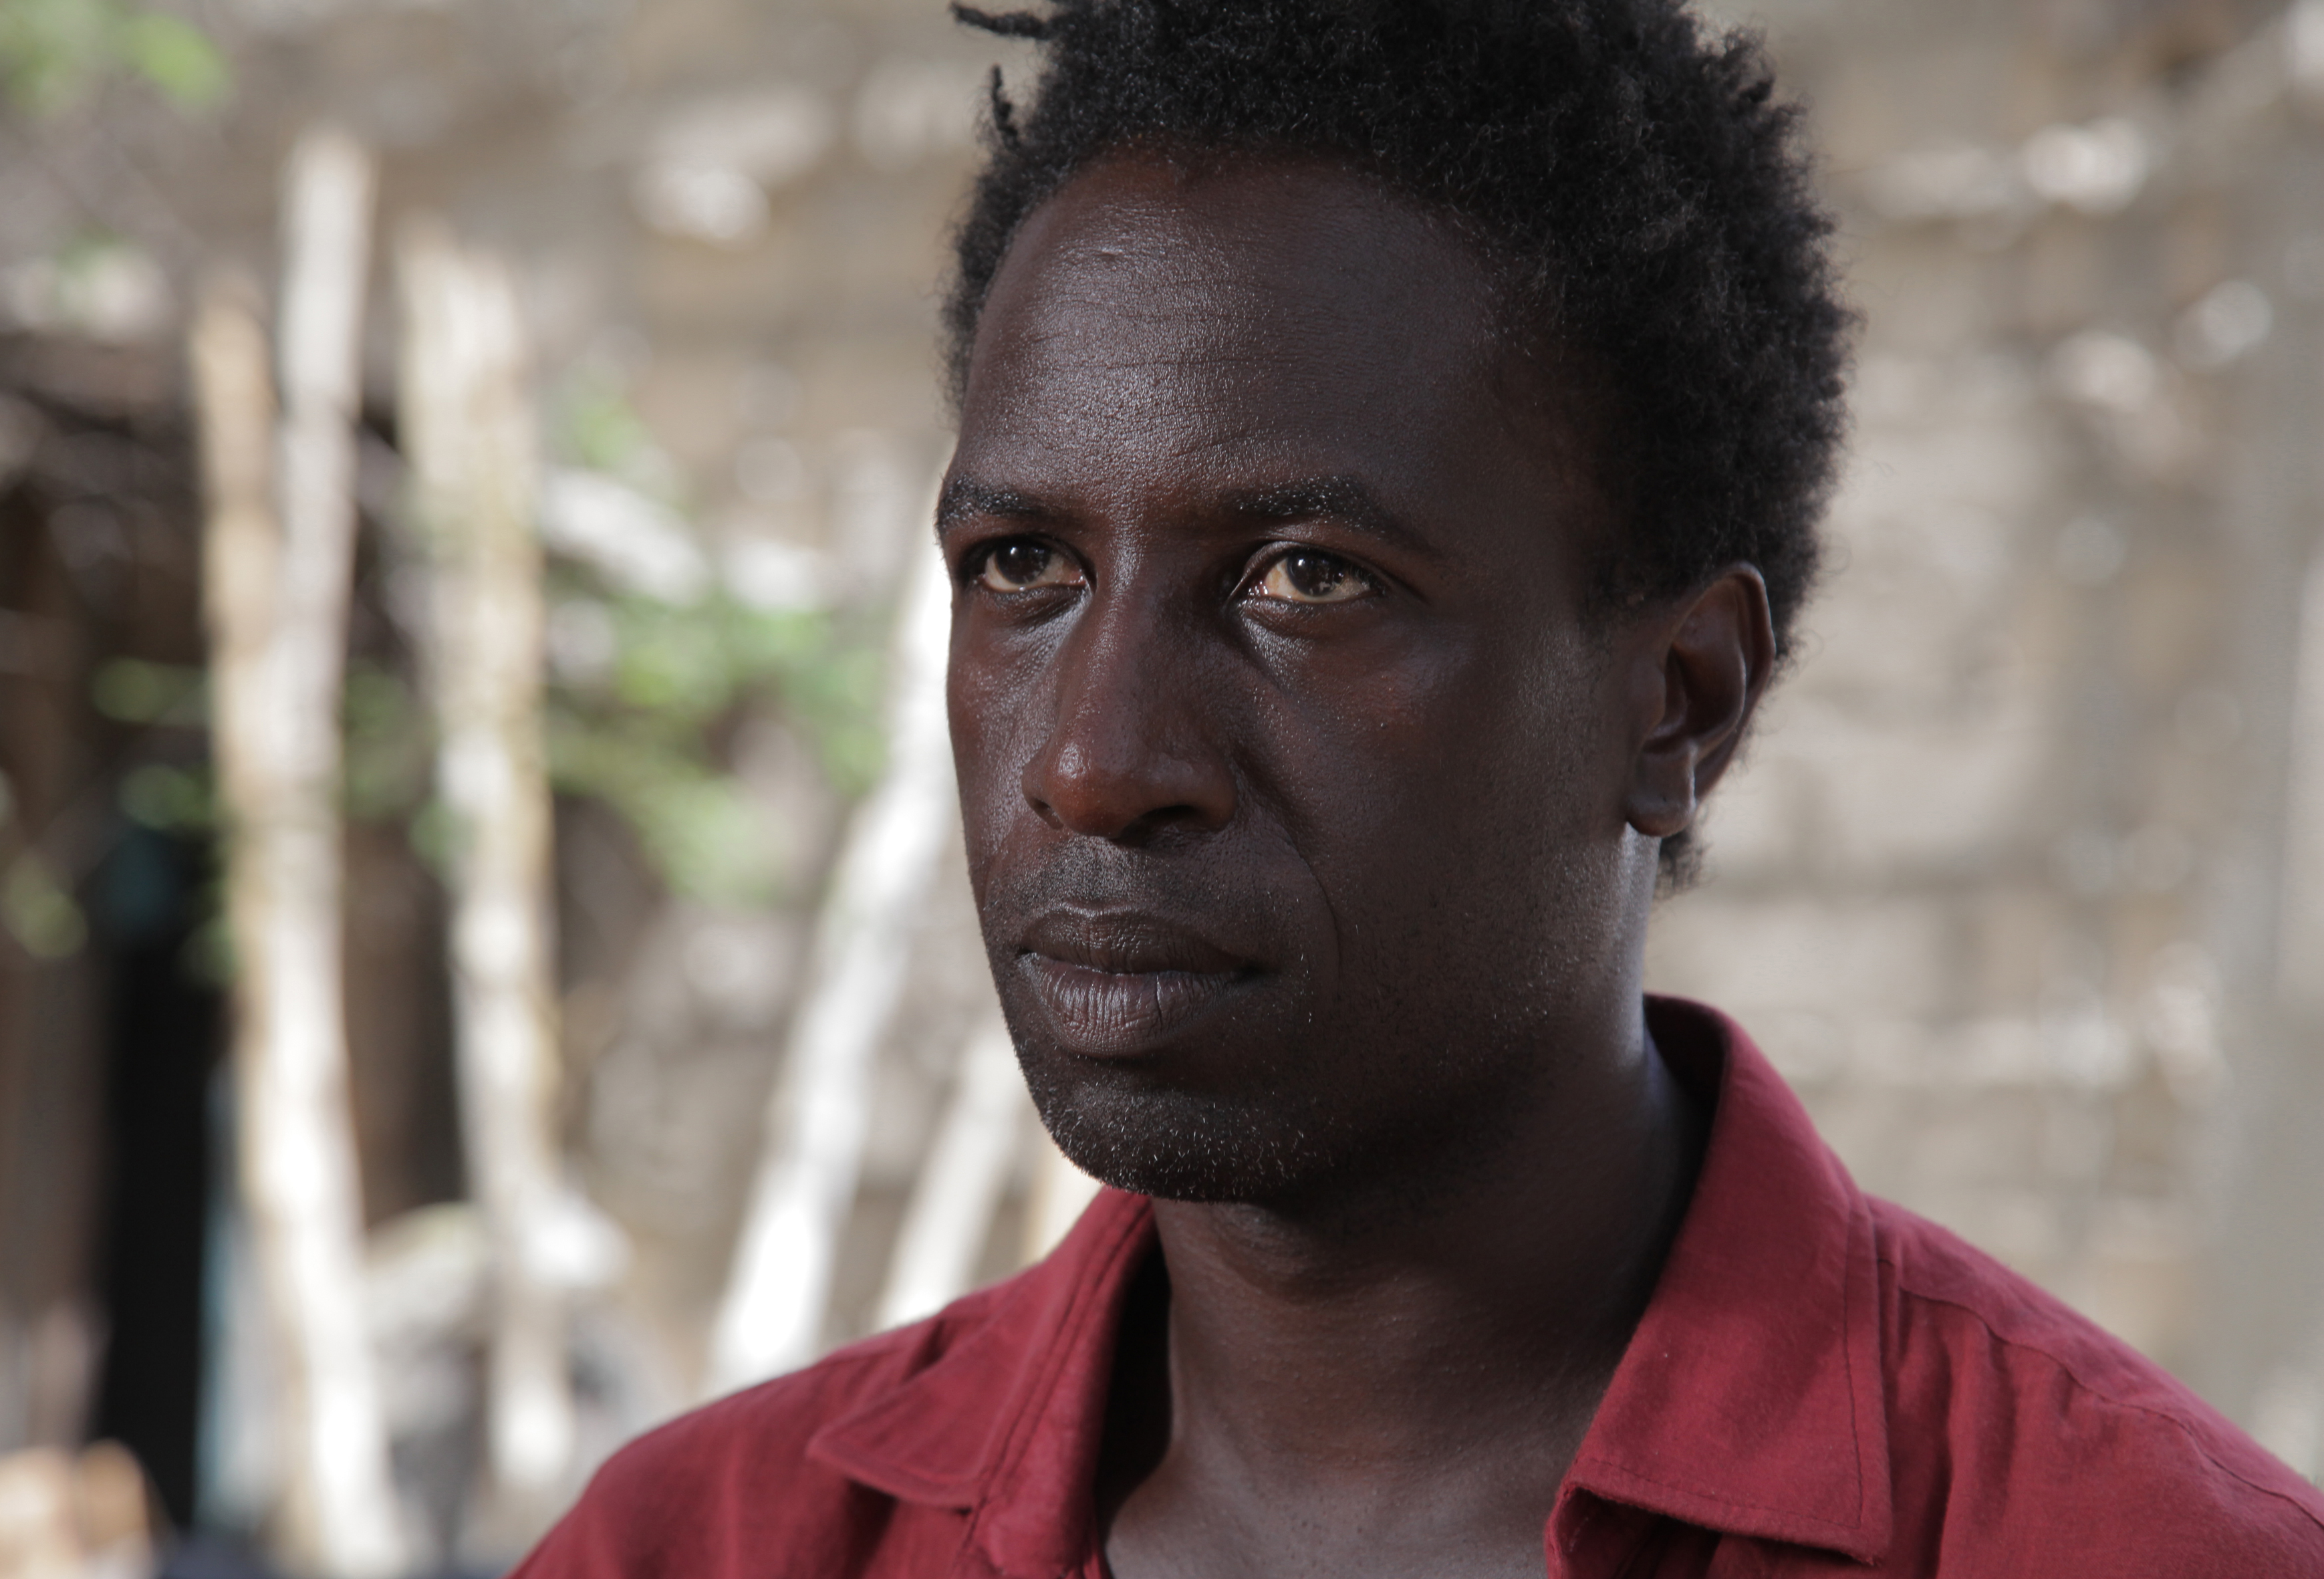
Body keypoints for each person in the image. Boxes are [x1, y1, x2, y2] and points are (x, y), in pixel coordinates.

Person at [515, 2, 2324, 1574]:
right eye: (1023, 567)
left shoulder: (2131, 1548)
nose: (1094, 760)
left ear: (1680, 700)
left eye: (1307, 577)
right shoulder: (701, 1545)